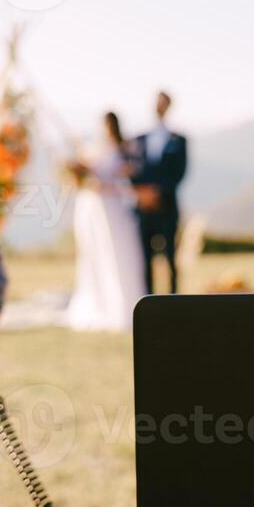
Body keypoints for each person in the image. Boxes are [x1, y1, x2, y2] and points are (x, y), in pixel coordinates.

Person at [66, 112, 146, 332]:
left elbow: (127, 178)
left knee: (121, 254)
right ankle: (99, 303)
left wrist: (104, 186)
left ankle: (123, 304)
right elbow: (83, 176)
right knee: (94, 254)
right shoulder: (92, 148)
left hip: (115, 208)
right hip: (93, 210)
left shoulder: (125, 149)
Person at [129, 91, 188, 295]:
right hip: (143, 209)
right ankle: (148, 299)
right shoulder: (139, 139)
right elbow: (131, 169)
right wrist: (141, 193)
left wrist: (158, 192)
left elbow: (180, 172)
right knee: (144, 259)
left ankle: (173, 299)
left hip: (167, 207)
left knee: (171, 257)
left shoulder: (179, 140)